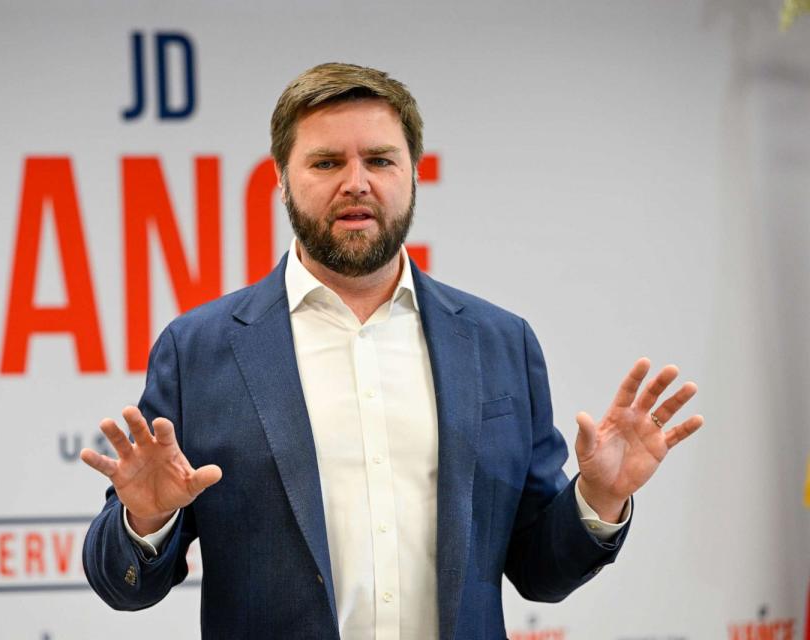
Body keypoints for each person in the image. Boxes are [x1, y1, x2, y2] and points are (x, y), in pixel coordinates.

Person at [80, 62, 703, 639]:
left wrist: (597, 501)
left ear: (413, 172)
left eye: (380, 160)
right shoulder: (200, 351)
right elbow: (123, 586)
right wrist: (146, 522)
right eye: (326, 163)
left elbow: (540, 572)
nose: (357, 183)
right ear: (280, 180)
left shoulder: (498, 342)